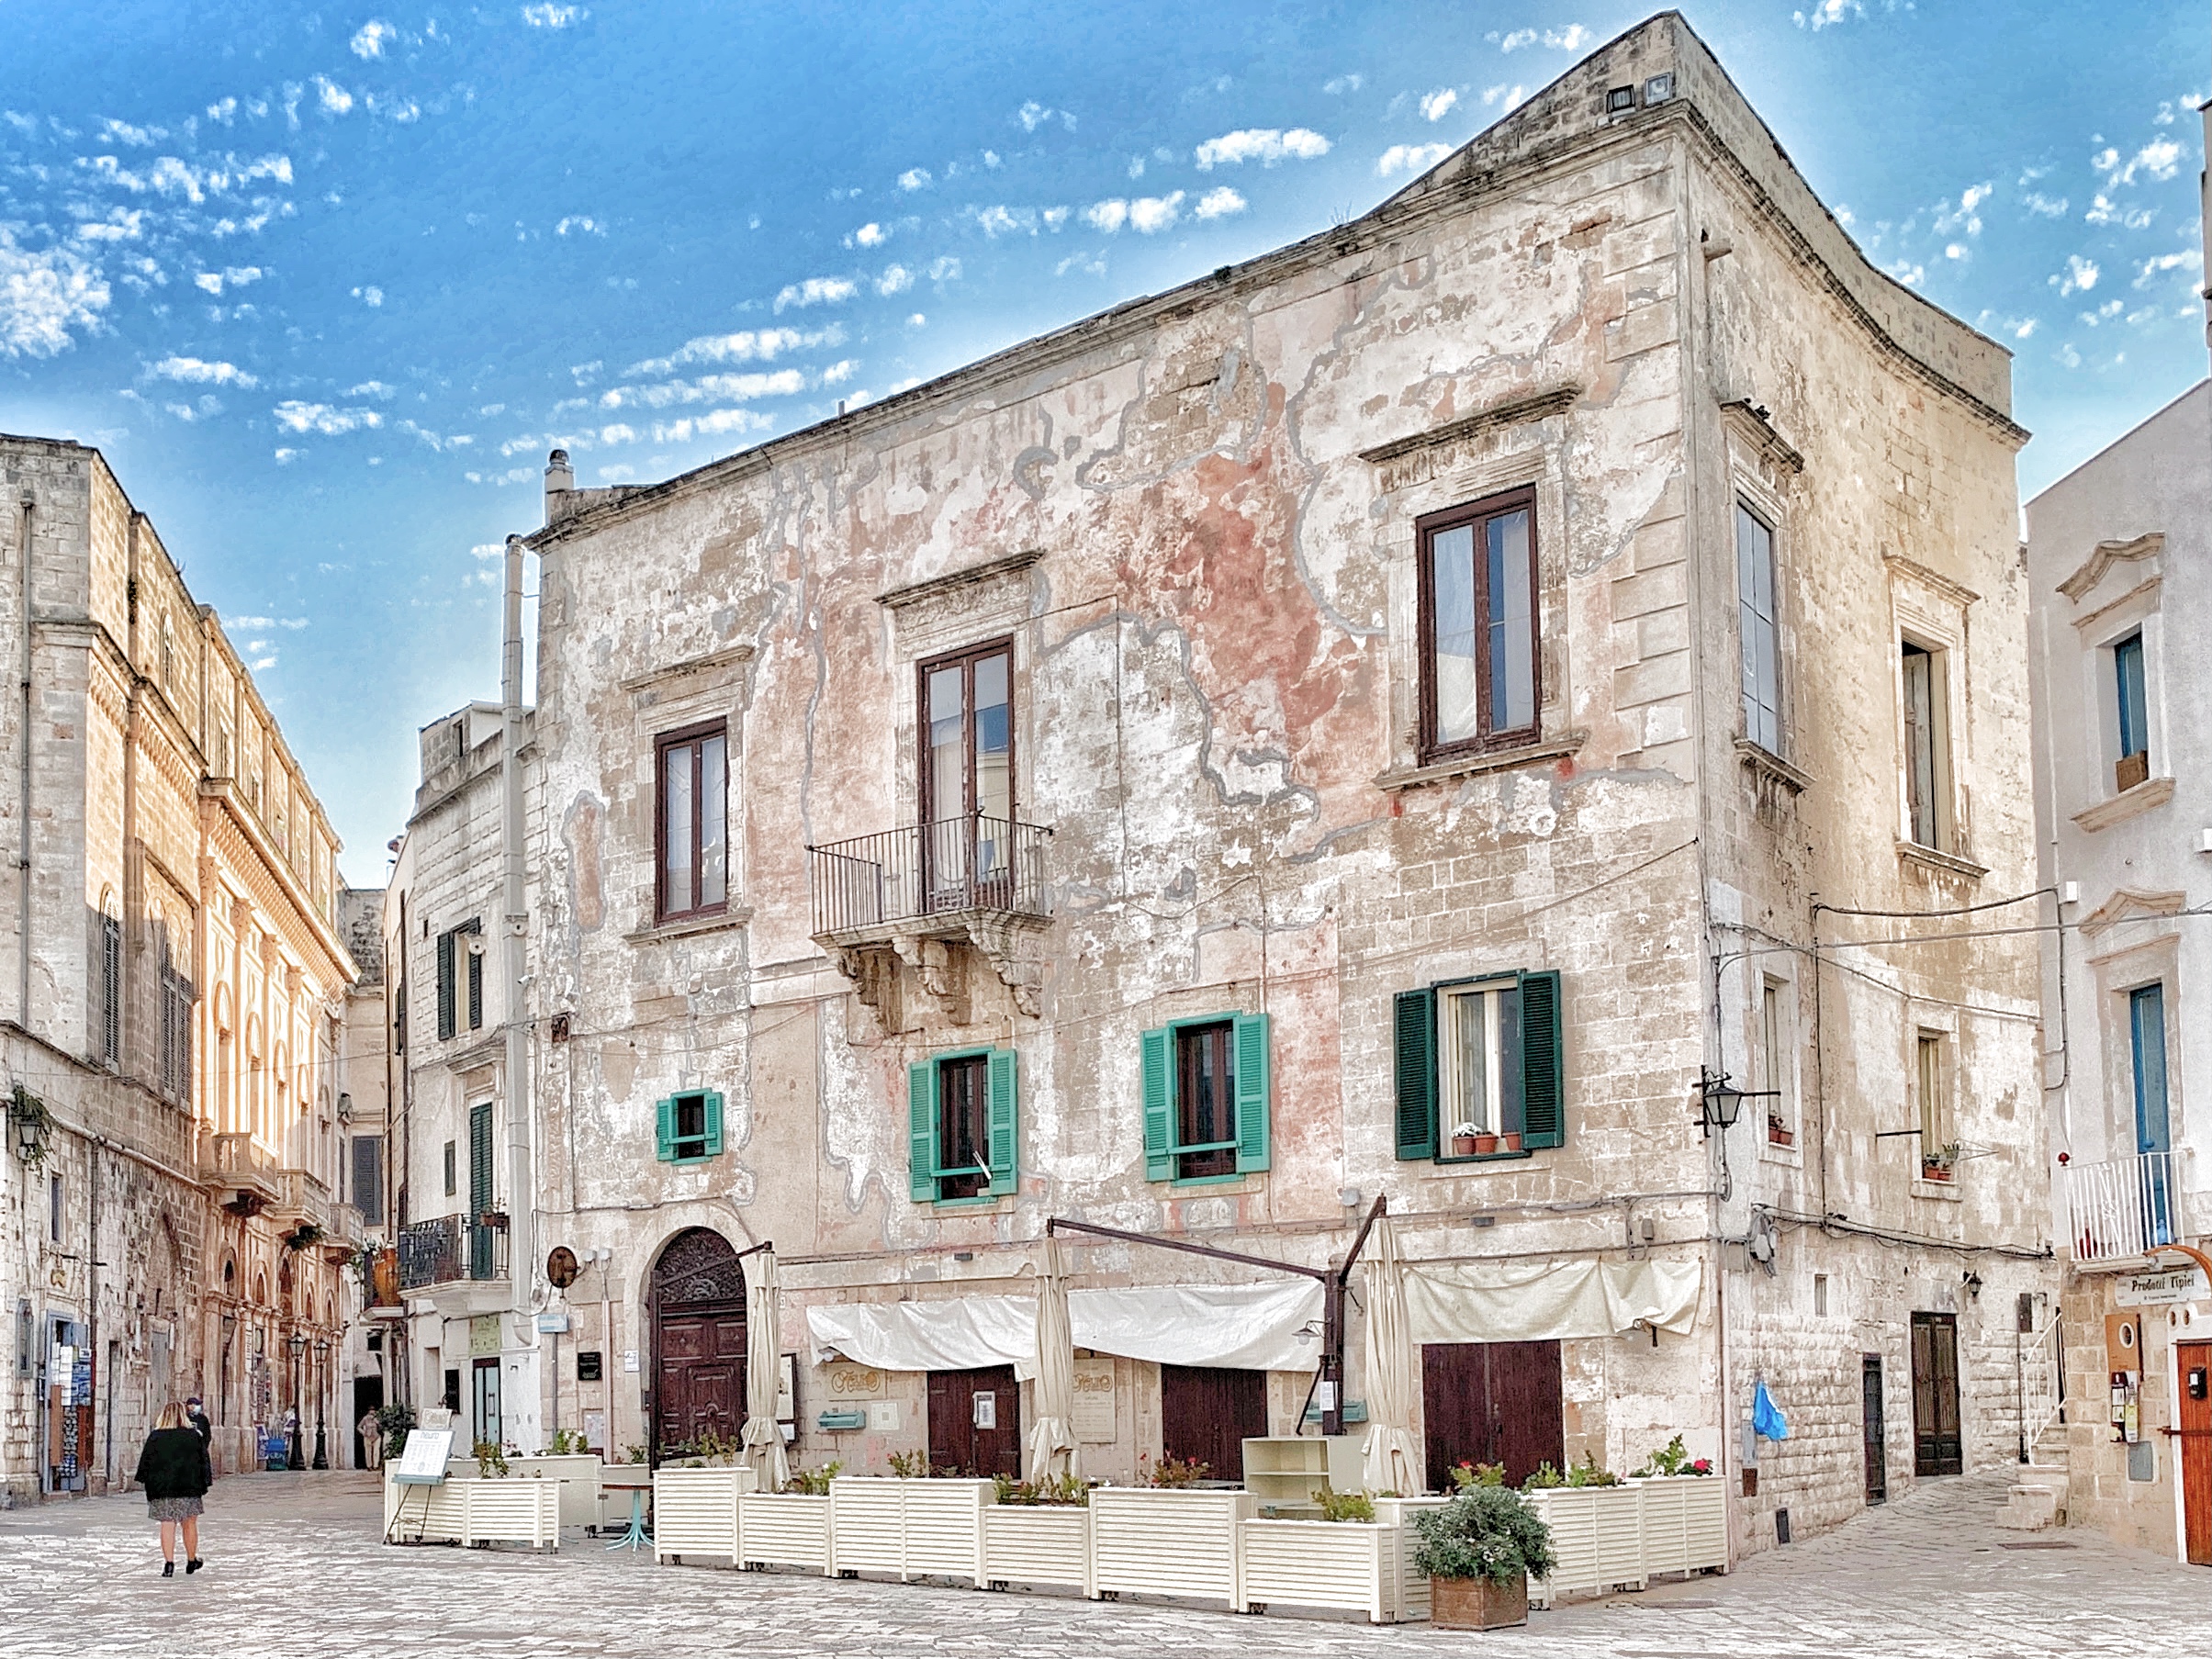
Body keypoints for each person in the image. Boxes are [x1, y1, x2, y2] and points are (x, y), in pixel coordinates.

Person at [134, 1401, 212, 1577]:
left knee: (167, 1524)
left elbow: (145, 1463)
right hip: (189, 1488)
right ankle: (191, 1560)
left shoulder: (155, 1437)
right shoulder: (194, 1436)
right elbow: (204, 1463)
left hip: (163, 1489)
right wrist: (204, 1484)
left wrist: (147, 1482)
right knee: (189, 1524)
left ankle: (169, 1564)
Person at [357, 1407, 384, 1472]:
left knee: (376, 1451)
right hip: (368, 1436)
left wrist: (378, 1423)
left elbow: (382, 1427)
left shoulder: (377, 1418)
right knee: (368, 1452)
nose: (372, 1413)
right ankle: (369, 1465)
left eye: (373, 1411)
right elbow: (359, 1427)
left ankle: (375, 1466)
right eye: (371, 1411)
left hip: (376, 1436)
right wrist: (364, 1433)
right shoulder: (365, 1419)